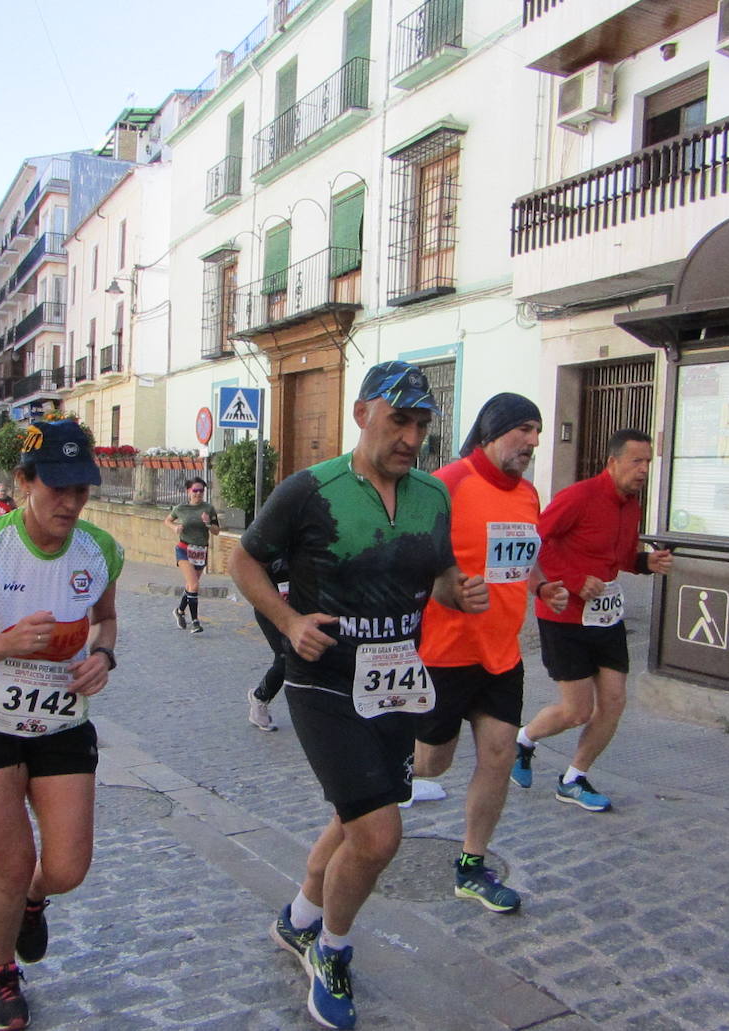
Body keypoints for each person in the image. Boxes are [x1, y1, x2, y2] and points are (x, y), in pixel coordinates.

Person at [229, 360, 488, 1031]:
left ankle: (297, 920)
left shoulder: (434, 495)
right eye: (400, 419)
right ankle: (333, 950)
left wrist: (456, 589)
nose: (411, 437)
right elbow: (243, 559)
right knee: (377, 835)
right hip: (323, 683)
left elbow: (433, 569)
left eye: (422, 424)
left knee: (351, 819)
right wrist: (287, 622)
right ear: (362, 413)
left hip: (395, 684)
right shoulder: (310, 489)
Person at [0, 420, 122, 1031]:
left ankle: (35, 900)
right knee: (10, 863)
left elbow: (105, 621)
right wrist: (4, 643)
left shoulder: (99, 550)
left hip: (60, 722)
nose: (70, 501)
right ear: (25, 481)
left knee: (66, 869)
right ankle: (0, 968)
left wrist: (104, 656)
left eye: (82, 489)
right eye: (57, 487)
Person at [412, 394, 569, 914]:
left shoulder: (527, 495)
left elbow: (527, 556)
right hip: (445, 651)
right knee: (432, 763)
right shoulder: (447, 484)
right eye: (524, 429)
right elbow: (414, 561)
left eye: (538, 431)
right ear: (492, 430)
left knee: (499, 754)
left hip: (500, 655)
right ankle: (376, 774)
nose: (534, 441)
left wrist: (543, 588)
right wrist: (447, 590)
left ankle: (471, 867)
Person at [513, 429, 674, 813]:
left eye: (648, 462)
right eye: (636, 461)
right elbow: (534, 543)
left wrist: (643, 562)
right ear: (612, 462)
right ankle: (525, 738)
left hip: (605, 617)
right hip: (563, 614)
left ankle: (574, 778)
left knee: (615, 701)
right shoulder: (579, 497)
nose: (643, 470)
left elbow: (616, 557)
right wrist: (569, 580)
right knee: (576, 711)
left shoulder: (631, 504)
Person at [164, 477, 219, 634]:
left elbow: (216, 531)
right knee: (194, 585)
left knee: (190, 586)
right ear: (188, 491)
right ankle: (195, 622)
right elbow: (167, 520)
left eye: (201, 491)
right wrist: (174, 528)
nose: (198, 494)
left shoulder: (208, 508)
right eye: (195, 490)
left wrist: (208, 523)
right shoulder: (181, 508)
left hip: (201, 551)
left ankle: (180, 611)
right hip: (184, 549)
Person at [247, 555, 290, 732]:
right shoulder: (269, 544)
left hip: (296, 611)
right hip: (269, 610)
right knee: (284, 658)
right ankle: (260, 697)